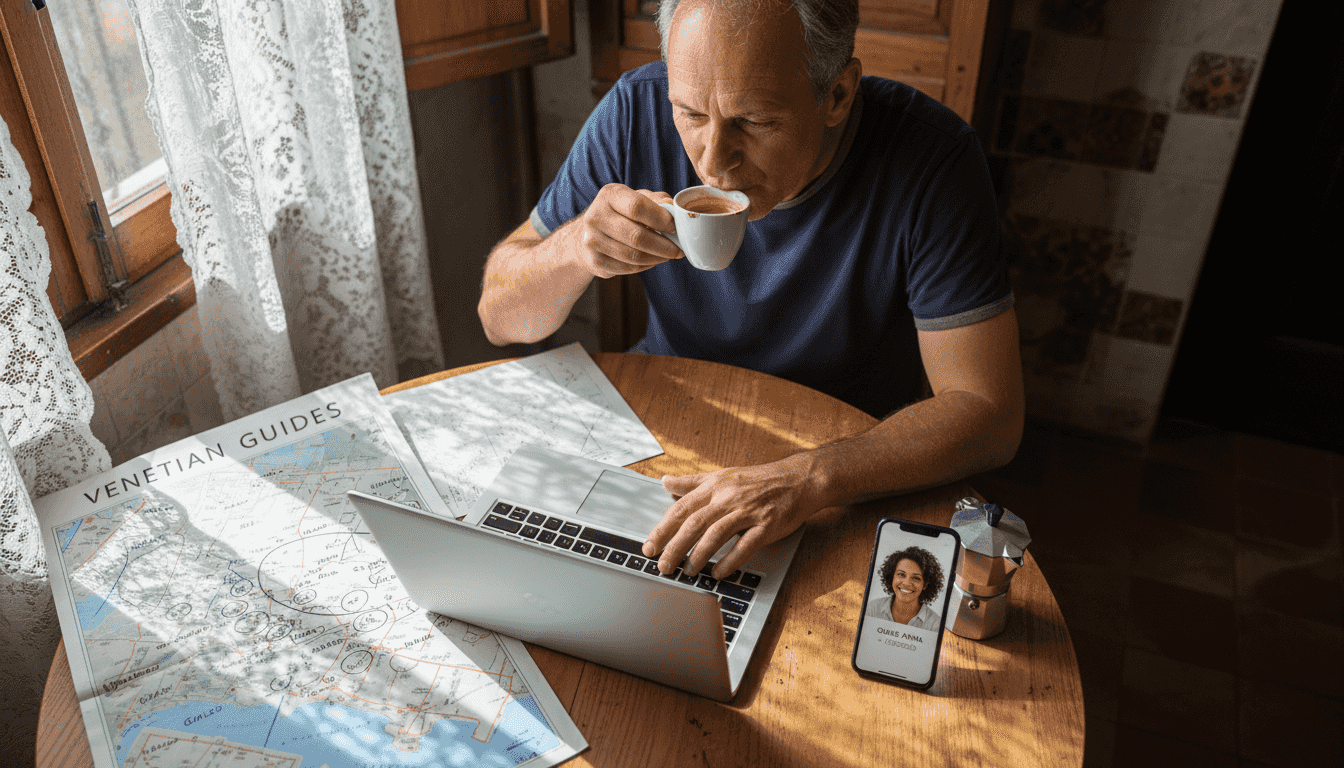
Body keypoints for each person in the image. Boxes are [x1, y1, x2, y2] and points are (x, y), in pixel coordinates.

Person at [477, 0, 1023, 582]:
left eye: (754, 122)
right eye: (689, 114)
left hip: (842, 467)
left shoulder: (933, 161)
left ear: (837, 95)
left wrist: (806, 477)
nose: (712, 162)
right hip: (665, 430)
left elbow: (989, 415)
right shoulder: (635, 110)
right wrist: (573, 248)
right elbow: (500, 318)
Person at [865, 547, 945, 628]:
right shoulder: (872, 608)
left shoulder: (935, 624)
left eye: (916, 578)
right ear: (892, 576)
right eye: (901, 574)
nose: (906, 583)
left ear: (925, 585)